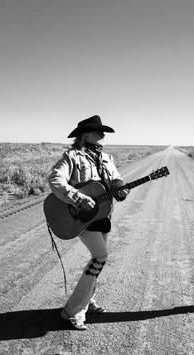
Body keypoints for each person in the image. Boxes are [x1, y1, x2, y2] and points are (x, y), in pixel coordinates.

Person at [49, 115, 129, 330]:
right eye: (99, 131)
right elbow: (55, 179)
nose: (103, 135)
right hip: (80, 215)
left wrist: (120, 188)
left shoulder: (106, 157)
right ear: (86, 135)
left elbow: (114, 179)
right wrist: (79, 197)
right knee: (101, 256)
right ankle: (73, 311)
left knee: (98, 259)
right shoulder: (72, 157)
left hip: (102, 214)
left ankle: (89, 300)